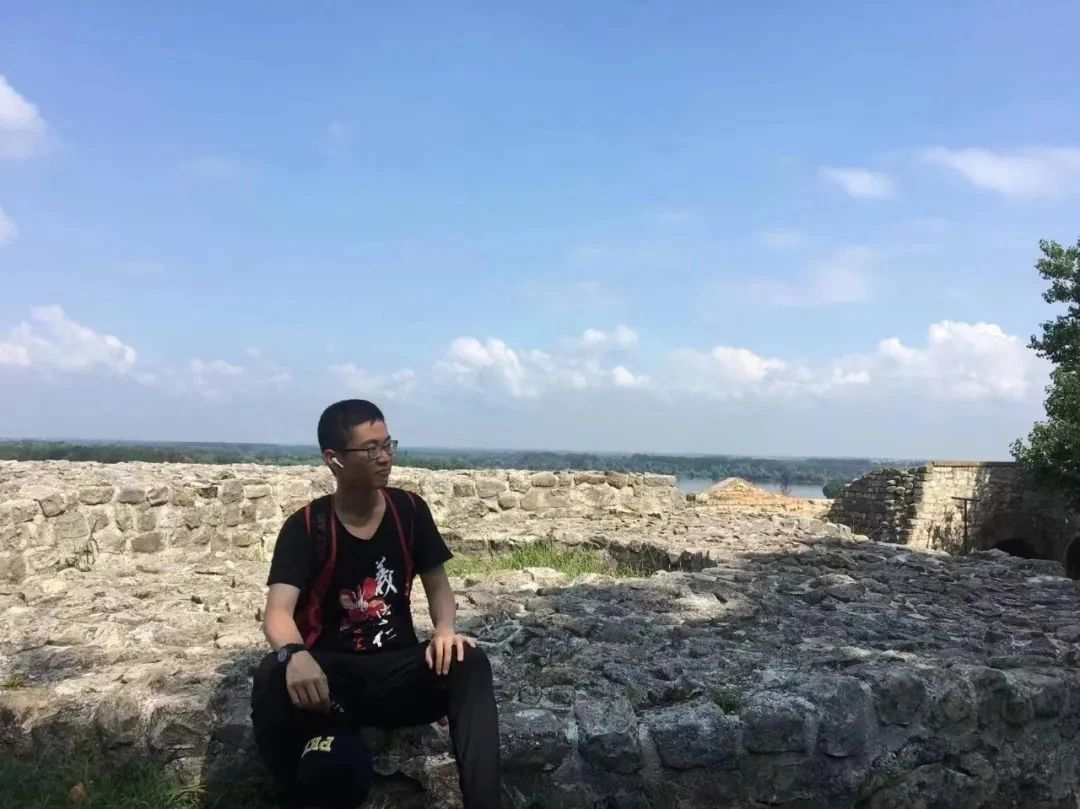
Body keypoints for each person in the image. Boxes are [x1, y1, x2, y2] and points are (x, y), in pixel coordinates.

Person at [250, 399, 502, 808]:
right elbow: (278, 611)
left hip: (397, 670)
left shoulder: (409, 511)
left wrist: (444, 630)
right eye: (370, 449)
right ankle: (287, 795)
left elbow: (438, 587)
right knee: (271, 676)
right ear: (333, 459)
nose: (384, 457)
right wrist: (295, 654)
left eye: (388, 445)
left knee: (467, 660)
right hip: (330, 683)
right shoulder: (307, 526)